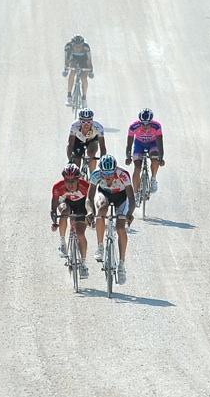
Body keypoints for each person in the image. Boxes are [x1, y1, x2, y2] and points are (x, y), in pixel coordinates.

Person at [86, 154, 135, 285]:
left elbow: (131, 199)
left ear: (115, 171)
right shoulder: (95, 175)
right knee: (101, 209)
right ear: (100, 171)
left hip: (121, 196)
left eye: (110, 174)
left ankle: (122, 265)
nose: (107, 177)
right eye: (105, 174)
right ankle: (100, 246)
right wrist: (90, 211)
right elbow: (89, 198)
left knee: (120, 228)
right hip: (104, 194)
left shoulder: (123, 175)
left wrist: (130, 213)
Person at [50, 164, 91, 279]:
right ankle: (63, 243)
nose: (70, 184)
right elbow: (53, 208)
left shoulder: (85, 186)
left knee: (80, 234)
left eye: (73, 181)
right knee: (64, 210)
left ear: (78, 179)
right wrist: (54, 222)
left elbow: (90, 203)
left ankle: (83, 264)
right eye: (67, 181)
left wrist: (90, 215)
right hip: (66, 203)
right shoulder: (58, 187)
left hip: (81, 204)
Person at [125, 107, 165, 197]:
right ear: (139, 122)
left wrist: (161, 158)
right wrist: (128, 157)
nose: (145, 126)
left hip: (153, 144)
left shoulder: (157, 126)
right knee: (137, 168)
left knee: (155, 159)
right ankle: (136, 194)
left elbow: (160, 144)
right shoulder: (133, 127)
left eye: (148, 123)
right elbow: (129, 144)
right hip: (139, 145)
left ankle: (153, 179)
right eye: (143, 123)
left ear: (151, 122)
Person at [68, 108, 107, 177]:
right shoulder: (74, 126)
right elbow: (70, 144)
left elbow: (102, 147)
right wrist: (70, 160)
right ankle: (77, 177)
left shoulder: (98, 127)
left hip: (92, 140)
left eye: (88, 122)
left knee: (91, 154)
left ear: (92, 121)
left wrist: (102, 161)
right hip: (78, 140)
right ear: (79, 121)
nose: (86, 124)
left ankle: (93, 176)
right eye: (83, 122)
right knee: (77, 159)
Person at [62, 34, 94, 108]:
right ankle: (69, 96)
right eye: (75, 46)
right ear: (72, 45)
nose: (77, 48)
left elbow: (89, 61)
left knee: (84, 78)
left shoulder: (86, 48)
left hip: (84, 61)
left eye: (79, 46)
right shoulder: (68, 47)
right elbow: (67, 61)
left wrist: (90, 71)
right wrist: (66, 69)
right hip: (73, 60)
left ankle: (84, 99)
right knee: (72, 72)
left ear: (82, 45)